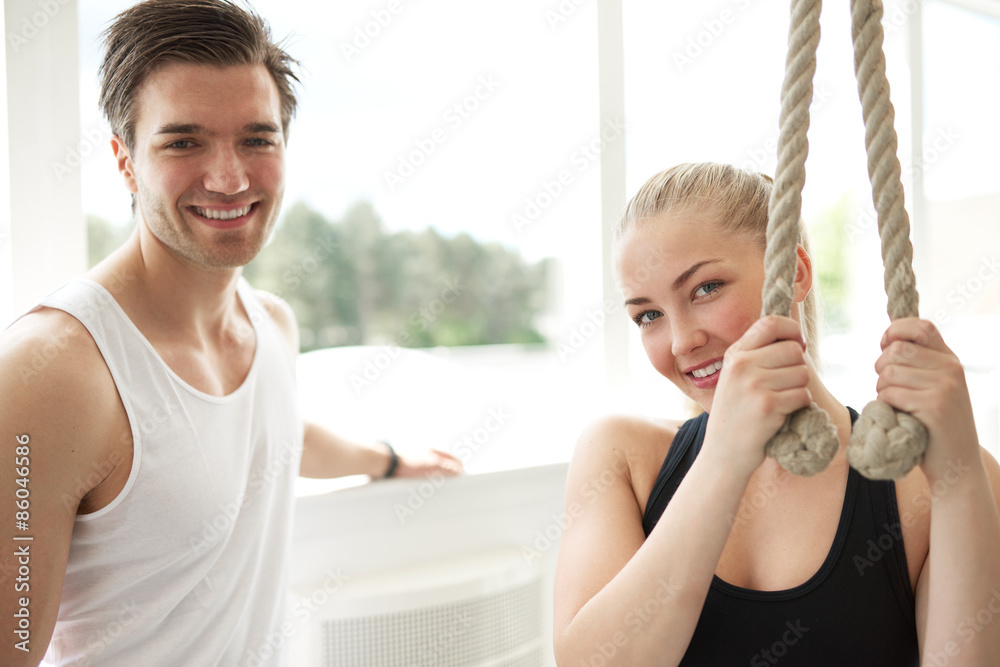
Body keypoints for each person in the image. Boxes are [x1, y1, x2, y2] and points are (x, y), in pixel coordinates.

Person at [0, 1, 461, 664]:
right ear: (125, 161)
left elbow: (275, 434)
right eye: (183, 141)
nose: (230, 176)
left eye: (256, 138)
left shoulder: (272, 324)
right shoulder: (52, 371)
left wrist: (386, 459)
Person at [552, 162, 1000, 665]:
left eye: (706, 288)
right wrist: (724, 456)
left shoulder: (943, 480)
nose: (681, 342)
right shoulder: (621, 455)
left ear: (795, 275)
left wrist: (959, 473)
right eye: (648, 315)